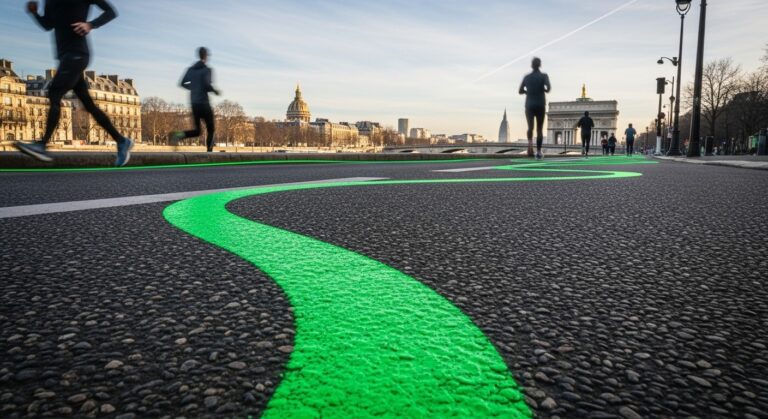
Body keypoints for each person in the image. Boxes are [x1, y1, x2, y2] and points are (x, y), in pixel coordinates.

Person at [15, 0, 133, 166]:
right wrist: (34, 13)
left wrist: (90, 25)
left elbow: (111, 12)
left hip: (77, 53)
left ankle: (42, 145)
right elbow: (48, 25)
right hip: (65, 57)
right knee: (89, 105)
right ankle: (121, 141)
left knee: (54, 92)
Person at [170, 47, 220, 152]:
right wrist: (215, 91)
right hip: (204, 103)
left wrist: (193, 88)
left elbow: (182, 83)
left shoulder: (190, 70)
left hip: (194, 103)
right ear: (205, 56)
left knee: (197, 131)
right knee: (211, 129)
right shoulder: (207, 70)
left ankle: (178, 135)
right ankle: (209, 152)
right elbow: (206, 85)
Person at [519, 57, 551, 160]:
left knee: (530, 127)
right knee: (539, 129)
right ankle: (538, 151)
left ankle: (529, 145)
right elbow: (548, 89)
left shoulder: (527, 77)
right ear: (540, 65)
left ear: (531, 65)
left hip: (529, 104)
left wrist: (527, 92)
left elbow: (520, 91)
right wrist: (543, 89)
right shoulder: (544, 76)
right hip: (540, 104)